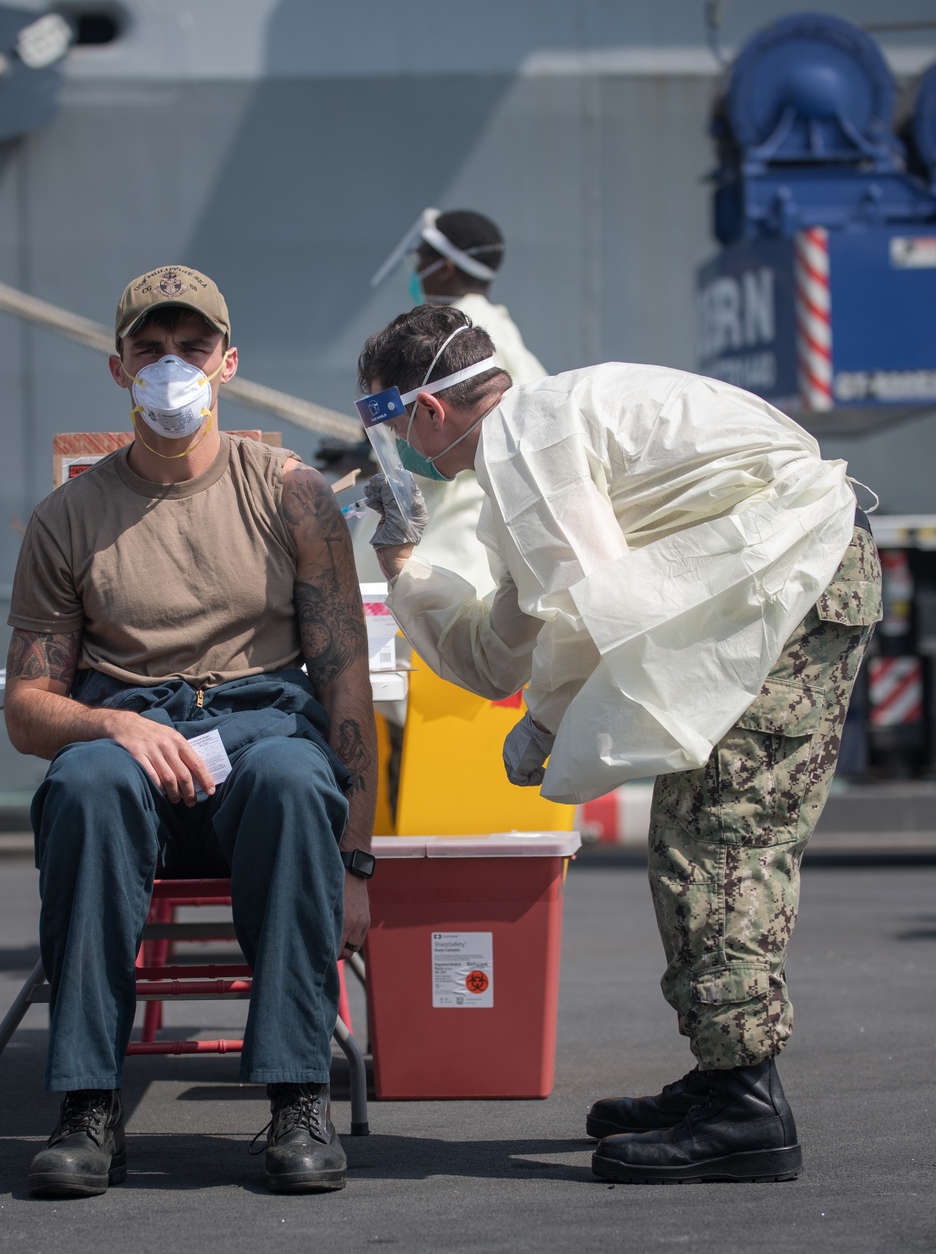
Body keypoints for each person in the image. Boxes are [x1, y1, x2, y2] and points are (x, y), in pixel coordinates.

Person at [358, 302, 881, 1185]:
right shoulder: (532, 446)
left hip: (788, 590)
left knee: (718, 843)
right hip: (775, 588)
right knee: (701, 835)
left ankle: (747, 1102)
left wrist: (547, 723)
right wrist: (405, 564)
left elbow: (594, 610)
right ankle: (726, 1075)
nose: (388, 446)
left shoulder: (533, 441)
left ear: (427, 408)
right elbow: (496, 653)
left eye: (382, 419)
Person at [5, 265, 377, 1199]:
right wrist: (110, 725)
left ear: (228, 363)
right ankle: (88, 1104)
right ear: (119, 368)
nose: (173, 367)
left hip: (259, 733)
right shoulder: (66, 518)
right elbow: (27, 707)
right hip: (132, 735)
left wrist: (359, 860)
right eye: (151, 349)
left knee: (297, 780)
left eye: (193, 348)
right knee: (85, 785)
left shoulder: (293, 494)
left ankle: (298, 1095)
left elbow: (344, 681)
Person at [358, 208, 547, 593]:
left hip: (454, 521)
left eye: (422, 259)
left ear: (444, 266)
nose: (417, 270)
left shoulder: (455, 334)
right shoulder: (500, 328)